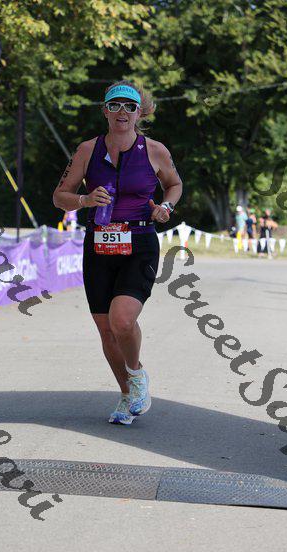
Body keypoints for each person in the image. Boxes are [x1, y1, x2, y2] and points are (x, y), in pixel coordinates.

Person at [53, 80, 182, 425]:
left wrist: (166, 207)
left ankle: (136, 375)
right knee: (105, 328)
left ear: (139, 113)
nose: (122, 112)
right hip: (98, 244)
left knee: (122, 319)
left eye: (129, 106)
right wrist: (84, 200)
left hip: (139, 243)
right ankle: (127, 395)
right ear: (105, 111)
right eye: (115, 105)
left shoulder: (154, 150)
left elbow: (174, 184)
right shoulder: (87, 150)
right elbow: (60, 196)